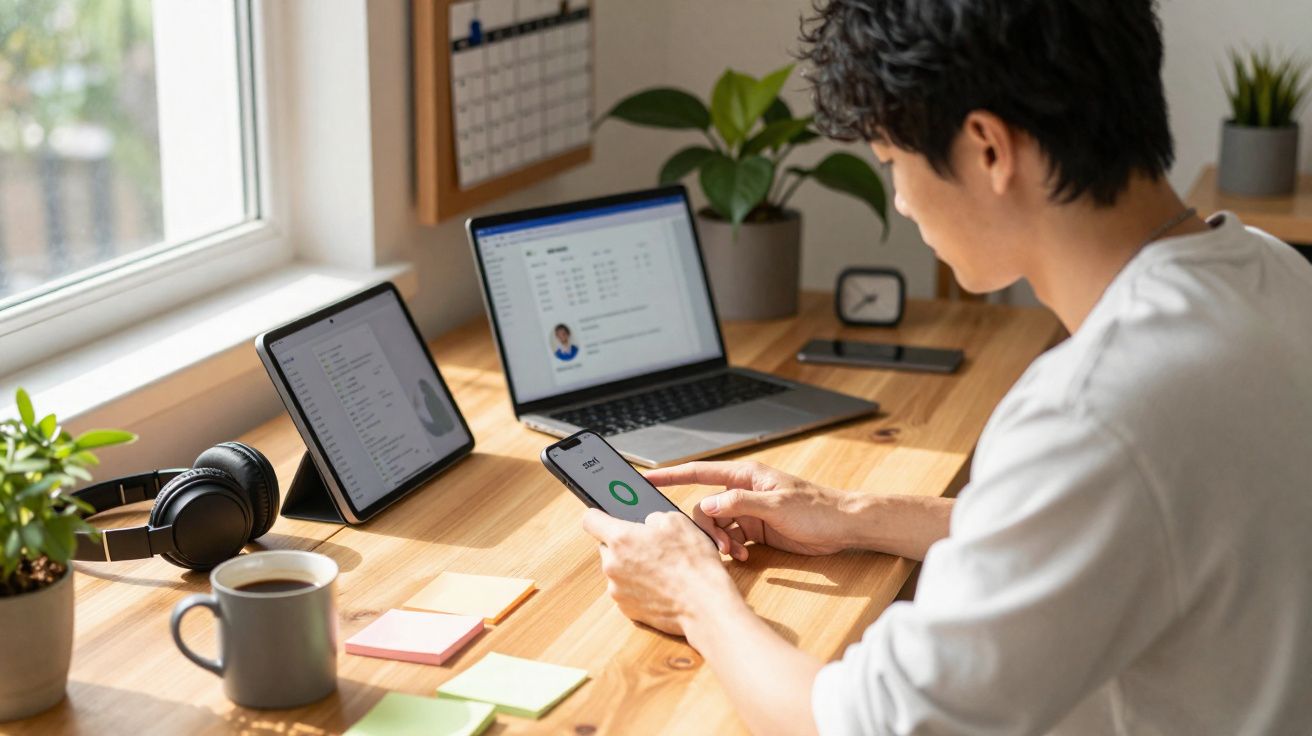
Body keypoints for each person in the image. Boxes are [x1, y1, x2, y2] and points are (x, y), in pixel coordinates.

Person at [580, 1, 1312, 734]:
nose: (899, 200)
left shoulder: (1094, 409)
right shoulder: (1273, 274)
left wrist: (693, 594)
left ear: (988, 148)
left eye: (893, 164)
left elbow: (868, 727)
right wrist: (856, 516)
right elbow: (1114, 527)